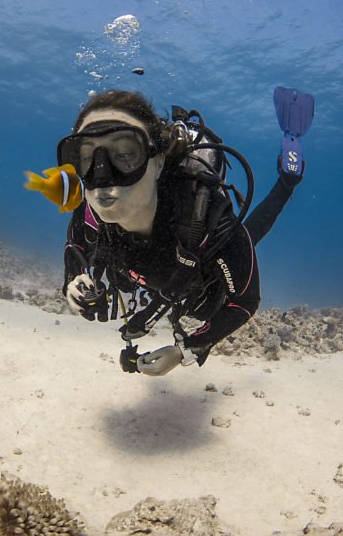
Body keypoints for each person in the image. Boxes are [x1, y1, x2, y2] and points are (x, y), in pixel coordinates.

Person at [57, 88, 313, 376]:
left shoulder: (208, 220)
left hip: (201, 272)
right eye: (86, 157)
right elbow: (75, 246)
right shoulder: (89, 212)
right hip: (153, 273)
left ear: (157, 161)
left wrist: (186, 349)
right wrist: (72, 281)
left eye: (126, 154)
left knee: (239, 252)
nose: (101, 177)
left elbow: (244, 300)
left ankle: (288, 180)